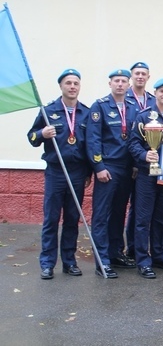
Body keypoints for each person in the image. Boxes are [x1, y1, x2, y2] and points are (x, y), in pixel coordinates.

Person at [27, 69, 92, 279]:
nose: (72, 86)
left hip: (77, 173)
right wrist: (42, 134)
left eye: (76, 83)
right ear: (61, 86)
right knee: (51, 219)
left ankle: (69, 261)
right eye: (68, 83)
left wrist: (89, 171)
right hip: (56, 172)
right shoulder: (48, 111)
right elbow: (32, 137)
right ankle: (47, 263)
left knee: (72, 219)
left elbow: (91, 145)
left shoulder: (86, 112)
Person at [128, 78, 163, 279]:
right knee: (143, 219)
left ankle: (159, 255)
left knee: (162, 218)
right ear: (156, 93)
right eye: (162, 91)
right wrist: (144, 155)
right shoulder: (144, 116)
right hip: (147, 175)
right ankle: (143, 260)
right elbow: (133, 143)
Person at [86, 69, 138, 278]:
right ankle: (102, 259)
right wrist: (98, 167)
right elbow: (93, 139)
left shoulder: (133, 108)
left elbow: (136, 137)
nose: (120, 84)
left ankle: (115, 252)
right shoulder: (99, 106)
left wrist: (135, 165)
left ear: (128, 84)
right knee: (101, 215)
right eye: (116, 81)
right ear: (110, 84)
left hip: (127, 169)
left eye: (124, 81)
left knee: (119, 212)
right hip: (108, 167)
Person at [123, 61, 155, 261]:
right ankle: (129, 248)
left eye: (144, 73)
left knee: (141, 207)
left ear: (148, 77)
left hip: (146, 163)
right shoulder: (123, 98)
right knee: (128, 208)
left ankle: (139, 248)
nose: (140, 77)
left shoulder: (152, 100)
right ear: (131, 76)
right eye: (137, 73)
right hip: (125, 161)